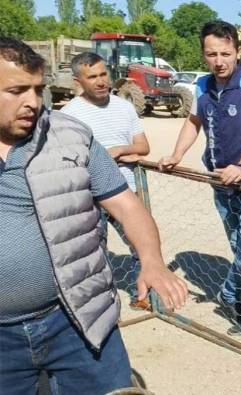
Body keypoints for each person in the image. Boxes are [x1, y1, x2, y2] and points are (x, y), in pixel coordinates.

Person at [0, 37, 187, 394]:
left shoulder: (70, 136)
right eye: (17, 90)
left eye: (38, 89)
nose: (32, 102)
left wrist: (152, 261)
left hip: (76, 320)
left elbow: (126, 205)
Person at [158, 20, 241, 334]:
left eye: (225, 53)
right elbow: (193, 122)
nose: (219, 60)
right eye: (212, 54)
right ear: (204, 54)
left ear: (237, 51)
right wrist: (176, 154)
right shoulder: (202, 86)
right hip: (219, 182)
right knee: (240, 245)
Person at [62, 52, 149, 306]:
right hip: (88, 194)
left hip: (125, 190)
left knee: (139, 241)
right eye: (92, 77)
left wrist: (120, 150)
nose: (100, 81)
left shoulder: (124, 106)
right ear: (79, 81)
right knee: (93, 251)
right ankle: (100, 303)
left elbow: (143, 146)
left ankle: (141, 295)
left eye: (103, 74)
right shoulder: (69, 115)